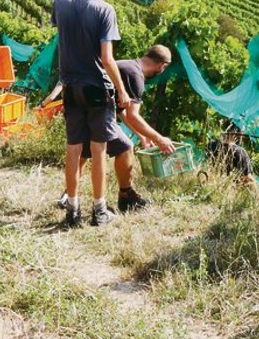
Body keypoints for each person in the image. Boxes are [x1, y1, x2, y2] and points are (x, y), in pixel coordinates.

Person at [45, 44, 178, 213]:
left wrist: (142, 136)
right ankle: (126, 197)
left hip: (79, 104)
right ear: (162, 66)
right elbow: (132, 115)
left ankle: (68, 196)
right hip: (96, 111)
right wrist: (160, 139)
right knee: (125, 147)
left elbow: (120, 111)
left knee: (83, 152)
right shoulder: (135, 76)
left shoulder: (126, 65)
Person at [51, 0, 132, 227]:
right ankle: (99, 211)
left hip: (70, 86)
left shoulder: (60, 2)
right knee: (98, 150)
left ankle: (72, 210)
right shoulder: (105, 10)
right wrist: (122, 90)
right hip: (97, 87)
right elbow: (107, 59)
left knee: (73, 149)